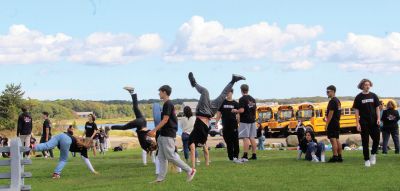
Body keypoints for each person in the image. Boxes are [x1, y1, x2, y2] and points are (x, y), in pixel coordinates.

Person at [187, 72, 245, 168]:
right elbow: (205, 151)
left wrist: (193, 168)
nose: (194, 147)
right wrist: (207, 164)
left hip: (202, 111)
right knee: (223, 96)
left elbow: (194, 152)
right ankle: (233, 80)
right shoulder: (203, 140)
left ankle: (194, 84)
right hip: (210, 113)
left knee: (205, 91)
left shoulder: (192, 140)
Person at [148, 85, 196, 183]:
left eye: (160, 92)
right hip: (163, 134)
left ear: (165, 92)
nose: (159, 93)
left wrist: (154, 130)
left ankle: (190, 170)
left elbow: (165, 119)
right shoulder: (166, 104)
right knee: (161, 157)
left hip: (168, 134)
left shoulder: (168, 104)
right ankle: (160, 179)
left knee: (170, 156)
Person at [111, 87, 158, 167]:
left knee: (135, 107)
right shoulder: (145, 144)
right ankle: (111, 127)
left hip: (143, 120)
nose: (153, 141)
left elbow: (150, 138)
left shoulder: (147, 143)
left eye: (153, 143)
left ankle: (132, 93)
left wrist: (155, 136)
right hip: (140, 124)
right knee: (124, 127)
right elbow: (146, 132)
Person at [33, 125, 98, 179]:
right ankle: (56, 174)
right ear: (88, 144)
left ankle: (33, 147)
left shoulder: (79, 139)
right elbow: (86, 160)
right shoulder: (83, 149)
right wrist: (93, 171)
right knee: (63, 159)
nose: (90, 148)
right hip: (66, 140)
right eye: (91, 146)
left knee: (47, 145)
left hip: (61, 135)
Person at [353, 79, 381, 167]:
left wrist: (378, 118)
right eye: (365, 85)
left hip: (374, 121)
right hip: (364, 122)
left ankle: (373, 154)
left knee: (376, 139)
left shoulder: (374, 96)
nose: (367, 86)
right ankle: (366, 160)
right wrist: (357, 123)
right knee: (365, 142)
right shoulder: (358, 97)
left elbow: (377, 108)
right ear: (362, 86)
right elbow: (356, 111)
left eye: (369, 84)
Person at [215, 89, 241, 162]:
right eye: (226, 93)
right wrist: (216, 122)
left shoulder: (235, 103)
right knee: (228, 142)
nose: (227, 94)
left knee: (235, 142)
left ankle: (236, 156)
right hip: (225, 125)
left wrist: (239, 123)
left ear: (232, 93)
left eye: (228, 92)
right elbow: (219, 113)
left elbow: (238, 115)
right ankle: (230, 157)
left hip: (234, 125)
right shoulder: (222, 103)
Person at [236, 84, 257, 161]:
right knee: (252, 138)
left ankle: (245, 155)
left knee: (245, 138)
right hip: (252, 120)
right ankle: (254, 155)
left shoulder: (242, 99)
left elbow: (242, 110)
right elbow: (254, 110)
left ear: (241, 90)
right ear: (248, 90)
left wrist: (236, 111)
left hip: (245, 121)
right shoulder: (252, 99)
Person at [325, 85, 343, 163]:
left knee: (333, 140)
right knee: (337, 139)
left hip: (332, 123)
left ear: (332, 91)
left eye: (328, 92)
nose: (327, 93)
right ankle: (340, 156)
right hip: (337, 122)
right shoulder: (338, 101)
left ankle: (335, 156)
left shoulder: (332, 101)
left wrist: (327, 124)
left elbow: (331, 113)